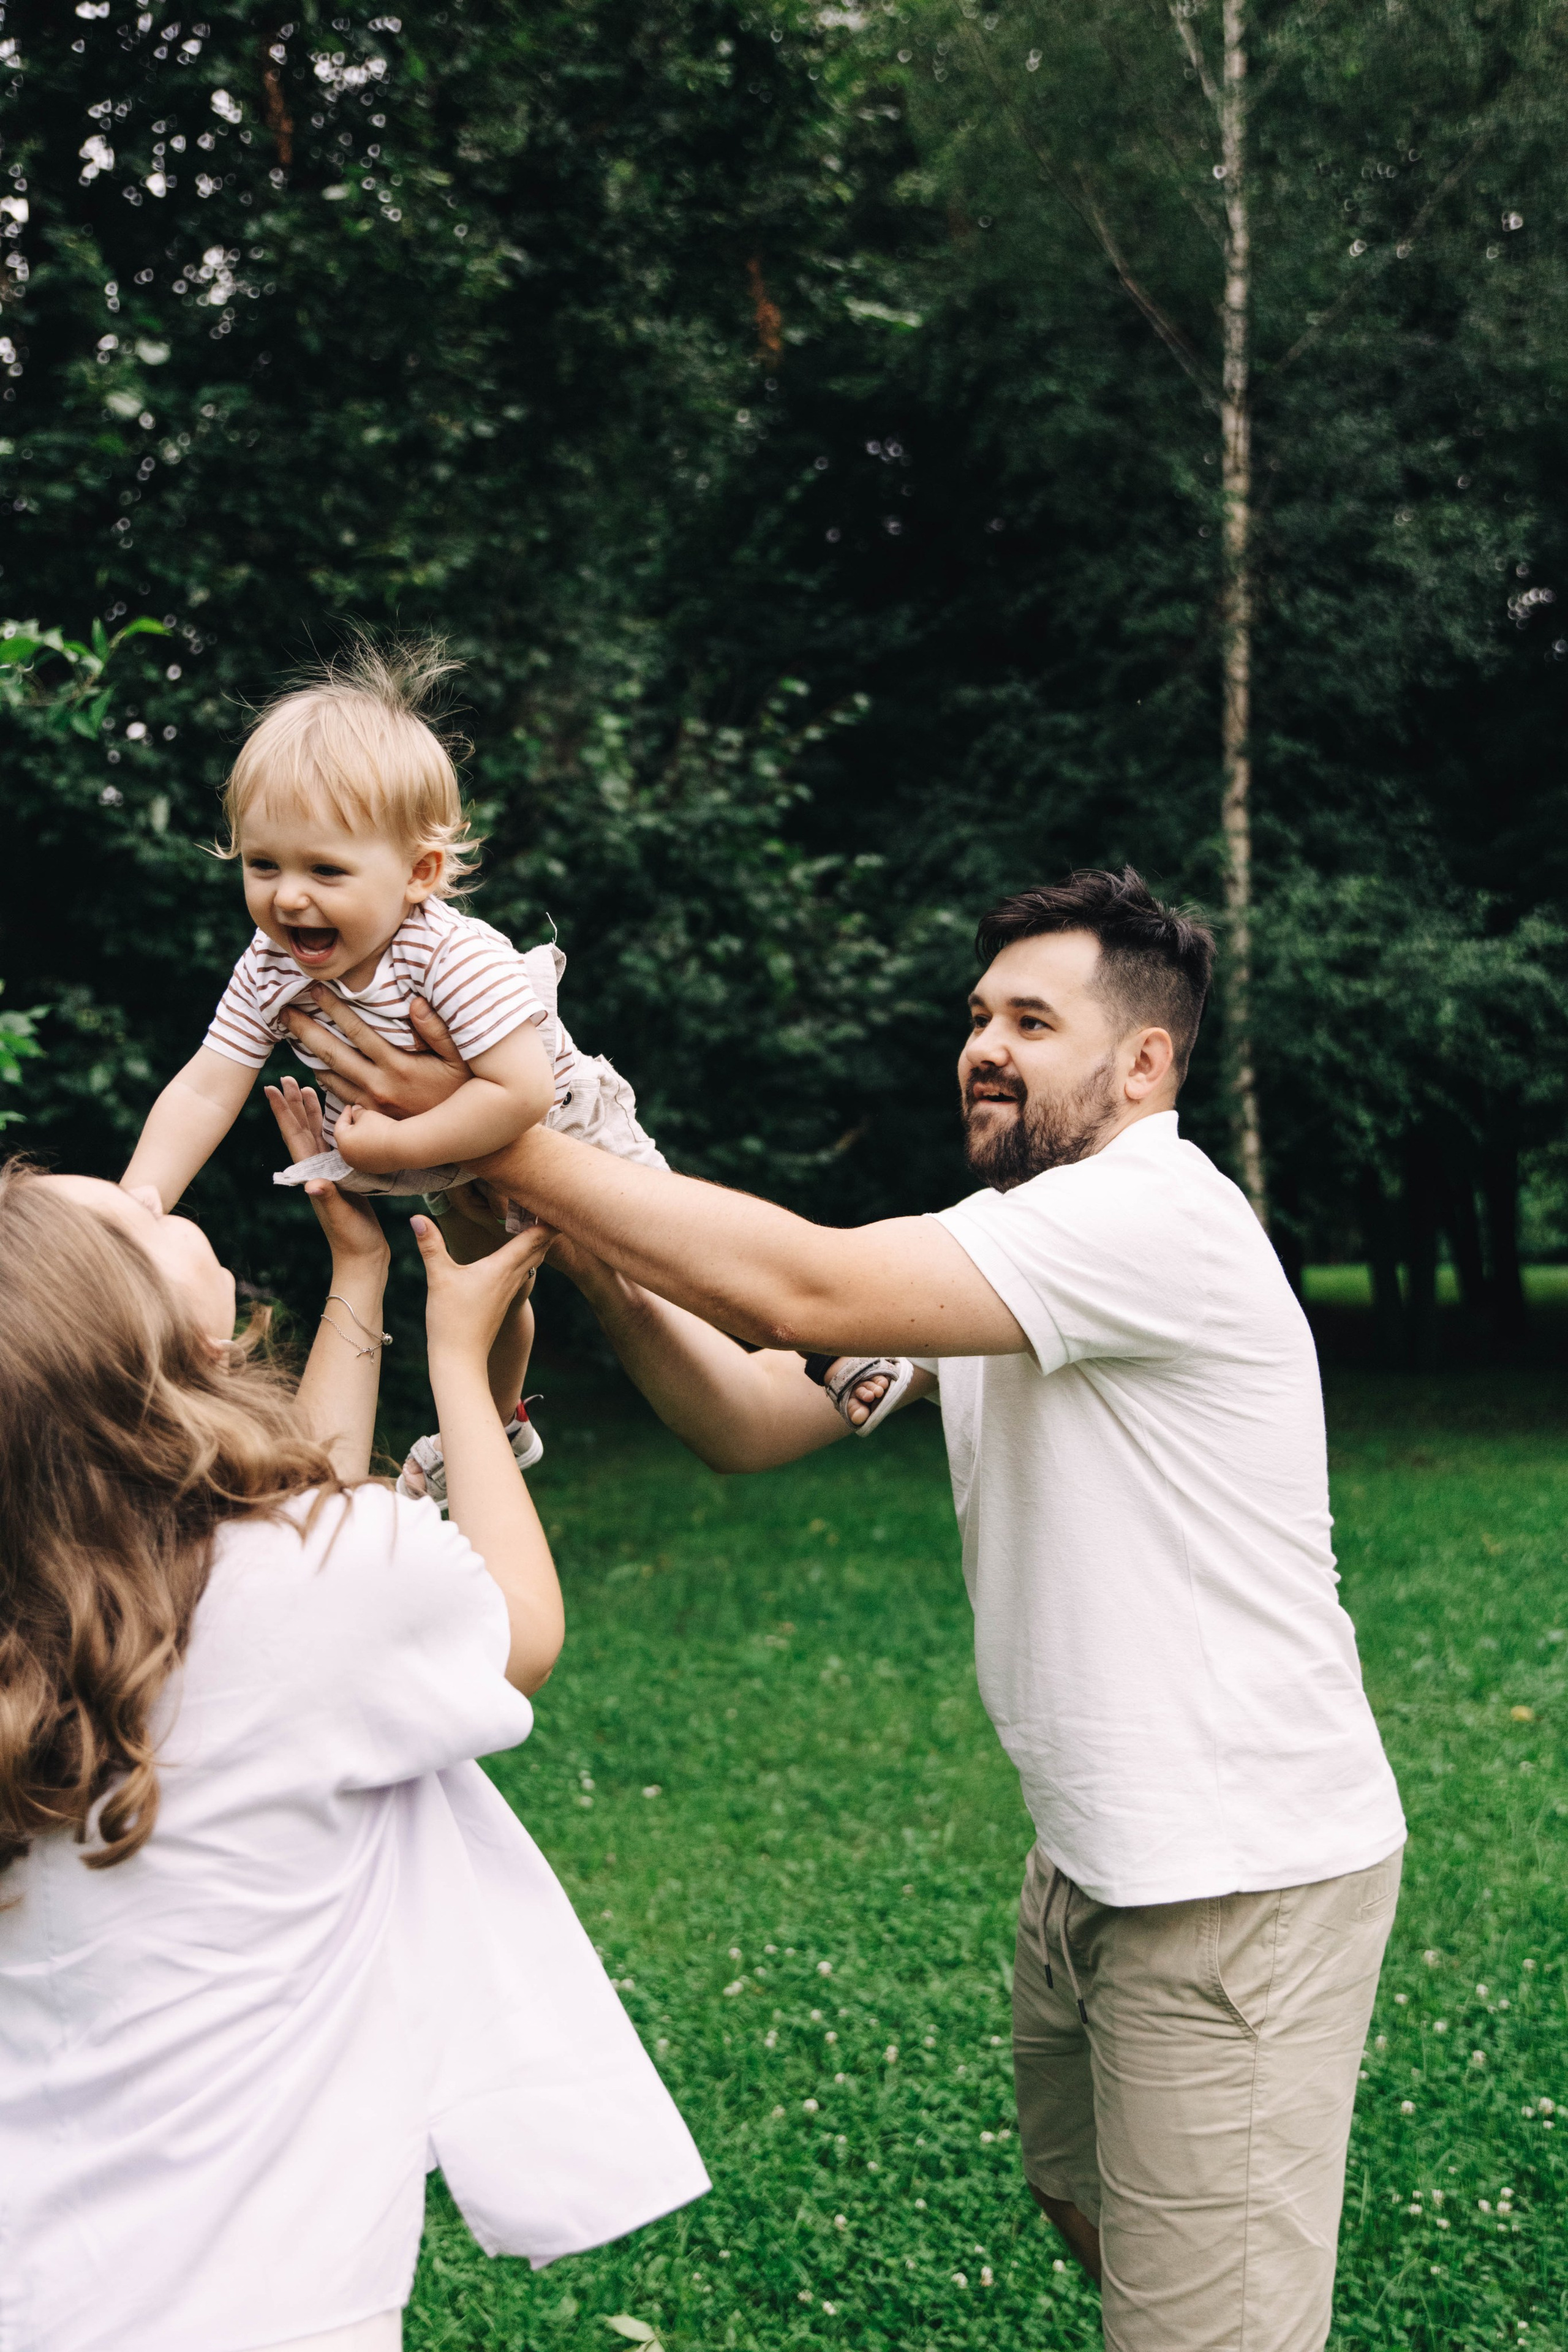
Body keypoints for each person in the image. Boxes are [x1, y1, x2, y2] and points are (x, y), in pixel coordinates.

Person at [314, 864, 1403, 2352]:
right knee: (1091, 2209)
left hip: (1233, 1880)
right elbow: (756, 1410)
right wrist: (575, 1237)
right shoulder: (1012, 1250)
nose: (984, 1045)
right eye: (976, 1015)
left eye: (1033, 1017)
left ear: (1144, 1063)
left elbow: (802, 1296)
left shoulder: (1149, 1220)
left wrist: (512, 1125)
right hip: (1094, 1856)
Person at [0, 1122, 707, 2352]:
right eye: (137, 1219)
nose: (157, 1196)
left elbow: (300, 1530)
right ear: (138, 1330)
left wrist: (362, 1279)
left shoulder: (55, 1593)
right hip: (263, 2300)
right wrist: (458, 1353)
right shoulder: (316, 1583)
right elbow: (516, 1626)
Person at [120, 636, 667, 1504]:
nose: (288, 897)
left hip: (568, 1126)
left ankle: (821, 1345)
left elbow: (520, 1094)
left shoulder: (451, 955)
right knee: (476, 1284)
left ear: (418, 874)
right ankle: (492, 1428)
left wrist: (393, 1142)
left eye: (324, 870)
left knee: (671, 1270)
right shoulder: (271, 963)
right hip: (454, 1159)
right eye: (264, 865)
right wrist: (132, 1208)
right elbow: (206, 1082)